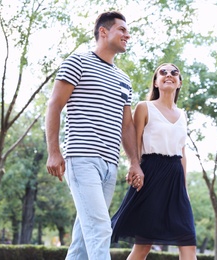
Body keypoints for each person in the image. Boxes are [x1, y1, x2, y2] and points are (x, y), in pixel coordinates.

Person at [45, 11, 144, 260]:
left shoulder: (124, 80)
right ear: (103, 31)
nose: (127, 35)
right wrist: (54, 152)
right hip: (82, 158)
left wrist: (134, 162)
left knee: (82, 241)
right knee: (100, 228)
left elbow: (127, 125)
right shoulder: (77, 62)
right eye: (122, 29)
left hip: (110, 166)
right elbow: (54, 106)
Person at [111, 63, 197, 260]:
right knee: (143, 245)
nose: (169, 75)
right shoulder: (144, 107)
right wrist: (134, 167)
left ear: (179, 83)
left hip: (175, 177)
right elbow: (135, 142)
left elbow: (182, 153)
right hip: (150, 174)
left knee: (188, 241)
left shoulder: (183, 115)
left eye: (174, 73)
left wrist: (184, 188)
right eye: (163, 72)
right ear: (156, 82)